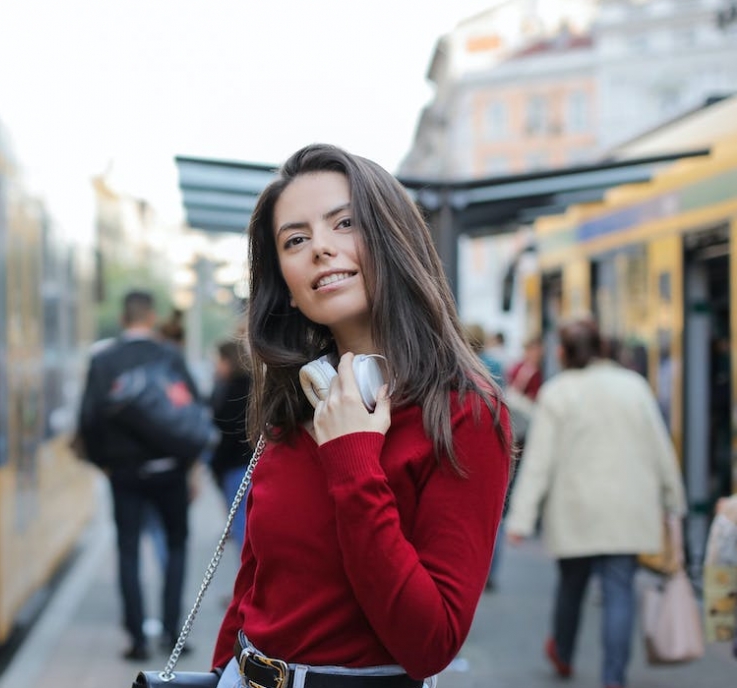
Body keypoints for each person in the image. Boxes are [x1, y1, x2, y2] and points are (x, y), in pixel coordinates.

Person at [211, 144, 511, 688]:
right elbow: (254, 587)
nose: (320, 249)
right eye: (295, 240)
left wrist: (354, 464)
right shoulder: (301, 398)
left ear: (393, 241)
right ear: (288, 286)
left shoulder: (463, 412)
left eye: (344, 223)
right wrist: (219, 672)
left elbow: (431, 643)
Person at [505, 316, 686, 688]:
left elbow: (539, 461)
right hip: (627, 510)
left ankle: (564, 654)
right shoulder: (633, 386)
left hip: (575, 512)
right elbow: (659, 447)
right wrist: (674, 499)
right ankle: (614, 677)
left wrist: (521, 518)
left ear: (564, 352)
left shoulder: (557, 392)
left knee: (571, 586)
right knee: (620, 591)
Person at [78, 290, 201, 661]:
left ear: (123, 318)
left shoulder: (104, 361)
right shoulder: (169, 356)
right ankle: (171, 631)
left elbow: (87, 421)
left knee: (128, 550)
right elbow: (192, 412)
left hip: (125, 473)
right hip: (171, 470)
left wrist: (105, 463)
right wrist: (191, 465)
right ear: (151, 317)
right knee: (176, 546)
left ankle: (136, 638)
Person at [209, 338, 253, 549]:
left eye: (219, 360)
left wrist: (215, 464)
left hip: (237, 466)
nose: (216, 366)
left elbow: (227, 434)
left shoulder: (233, 391)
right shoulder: (250, 385)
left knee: (242, 531)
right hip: (245, 464)